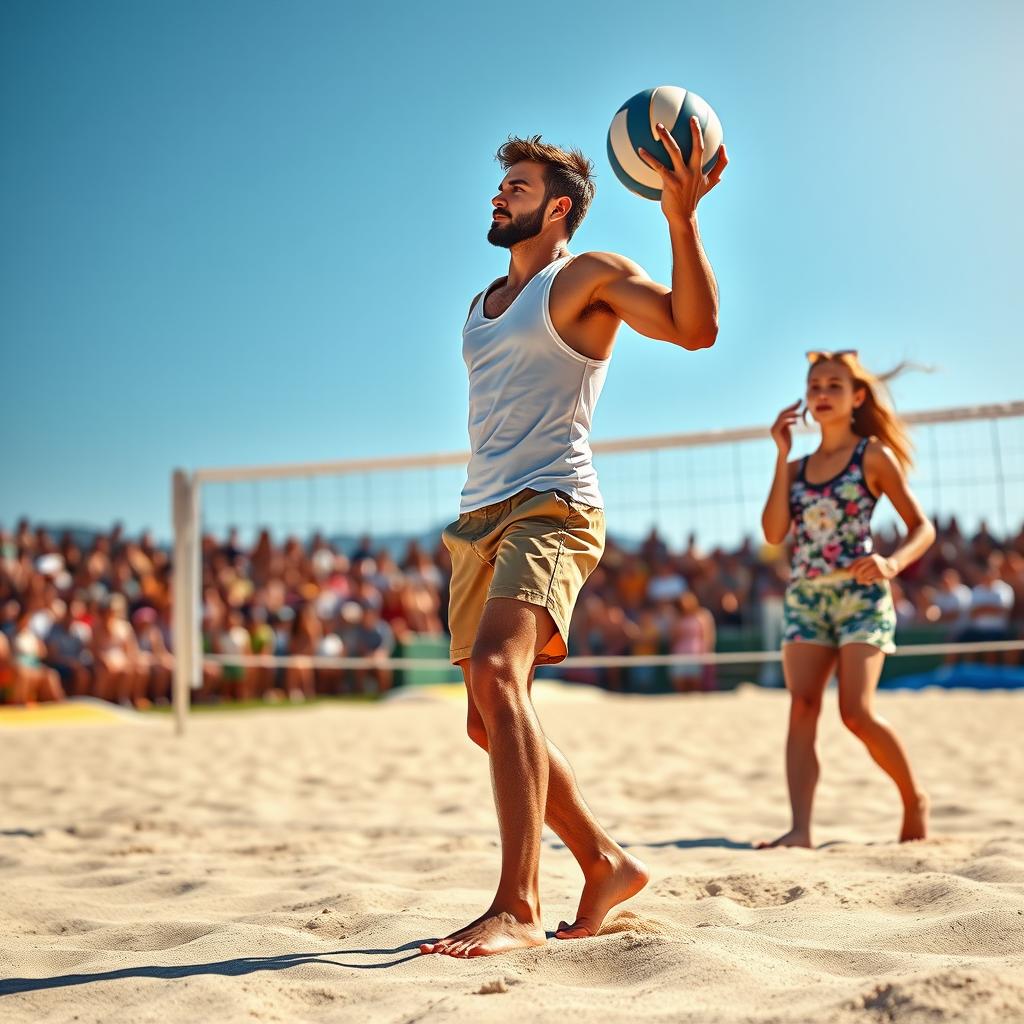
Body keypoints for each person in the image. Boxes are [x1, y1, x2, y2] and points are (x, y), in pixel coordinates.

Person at [420, 123, 727, 958]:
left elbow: (692, 329)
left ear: (559, 210)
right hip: (476, 516)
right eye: (500, 186)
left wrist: (682, 220)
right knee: (490, 721)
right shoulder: (482, 302)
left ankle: (517, 906)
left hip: (552, 504)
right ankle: (605, 862)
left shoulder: (585, 276)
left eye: (515, 188)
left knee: (496, 673)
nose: (498, 196)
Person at [758, 351, 935, 849]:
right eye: (814, 385)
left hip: (860, 595)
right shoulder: (795, 467)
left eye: (834, 385)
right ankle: (799, 829)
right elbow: (773, 532)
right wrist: (779, 453)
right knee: (802, 708)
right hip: (807, 599)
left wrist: (892, 564)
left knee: (855, 712)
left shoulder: (872, 456)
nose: (821, 393)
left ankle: (913, 798)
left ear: (857, 397)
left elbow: (923, 527)